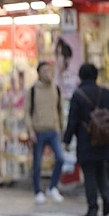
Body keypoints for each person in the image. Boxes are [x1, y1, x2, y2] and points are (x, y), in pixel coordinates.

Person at [63, 63, 109, 216]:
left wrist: (67, 140)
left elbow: (73, 120)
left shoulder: (78, 95)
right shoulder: (106, 93)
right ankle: (107, 196)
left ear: (81, 76)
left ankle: (93, 206)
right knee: (102, 170)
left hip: (86, 139)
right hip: (105, 138)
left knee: (89, 173)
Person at [25, 62, 65, 204]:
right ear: (39, 73)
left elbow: (60, 109)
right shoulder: (33, 90)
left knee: (60, 158)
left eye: (49, 69)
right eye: (44, 70)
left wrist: (62, 127)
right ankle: (38, 191)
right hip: (38, 130)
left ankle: (52, 186)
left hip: (53, 130)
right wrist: (30, 130)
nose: (48, 72)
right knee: (37, 164)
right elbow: (27, 112)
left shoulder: (56, 89)